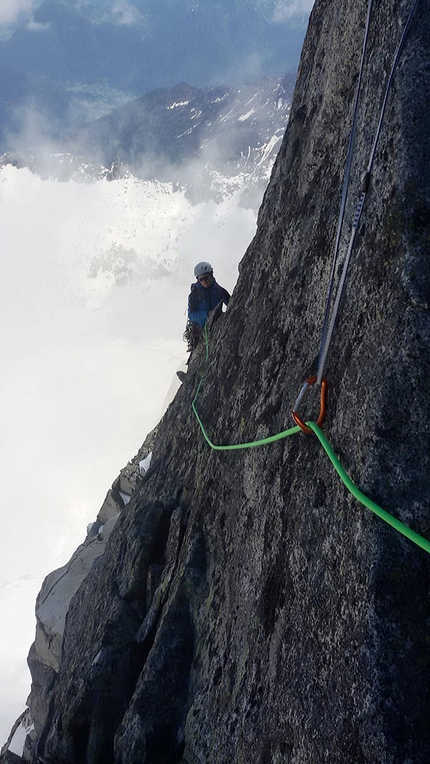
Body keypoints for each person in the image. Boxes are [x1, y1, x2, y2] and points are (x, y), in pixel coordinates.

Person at [184, 261, 230, 353]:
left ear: (211, 275)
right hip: (199, 331)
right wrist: (207, 314)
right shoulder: (194, 295)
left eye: (206, 278)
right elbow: (191, 315)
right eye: (201, 279)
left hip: (216, 326)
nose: (204, 281)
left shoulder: (219, 291)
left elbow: (231, 304)